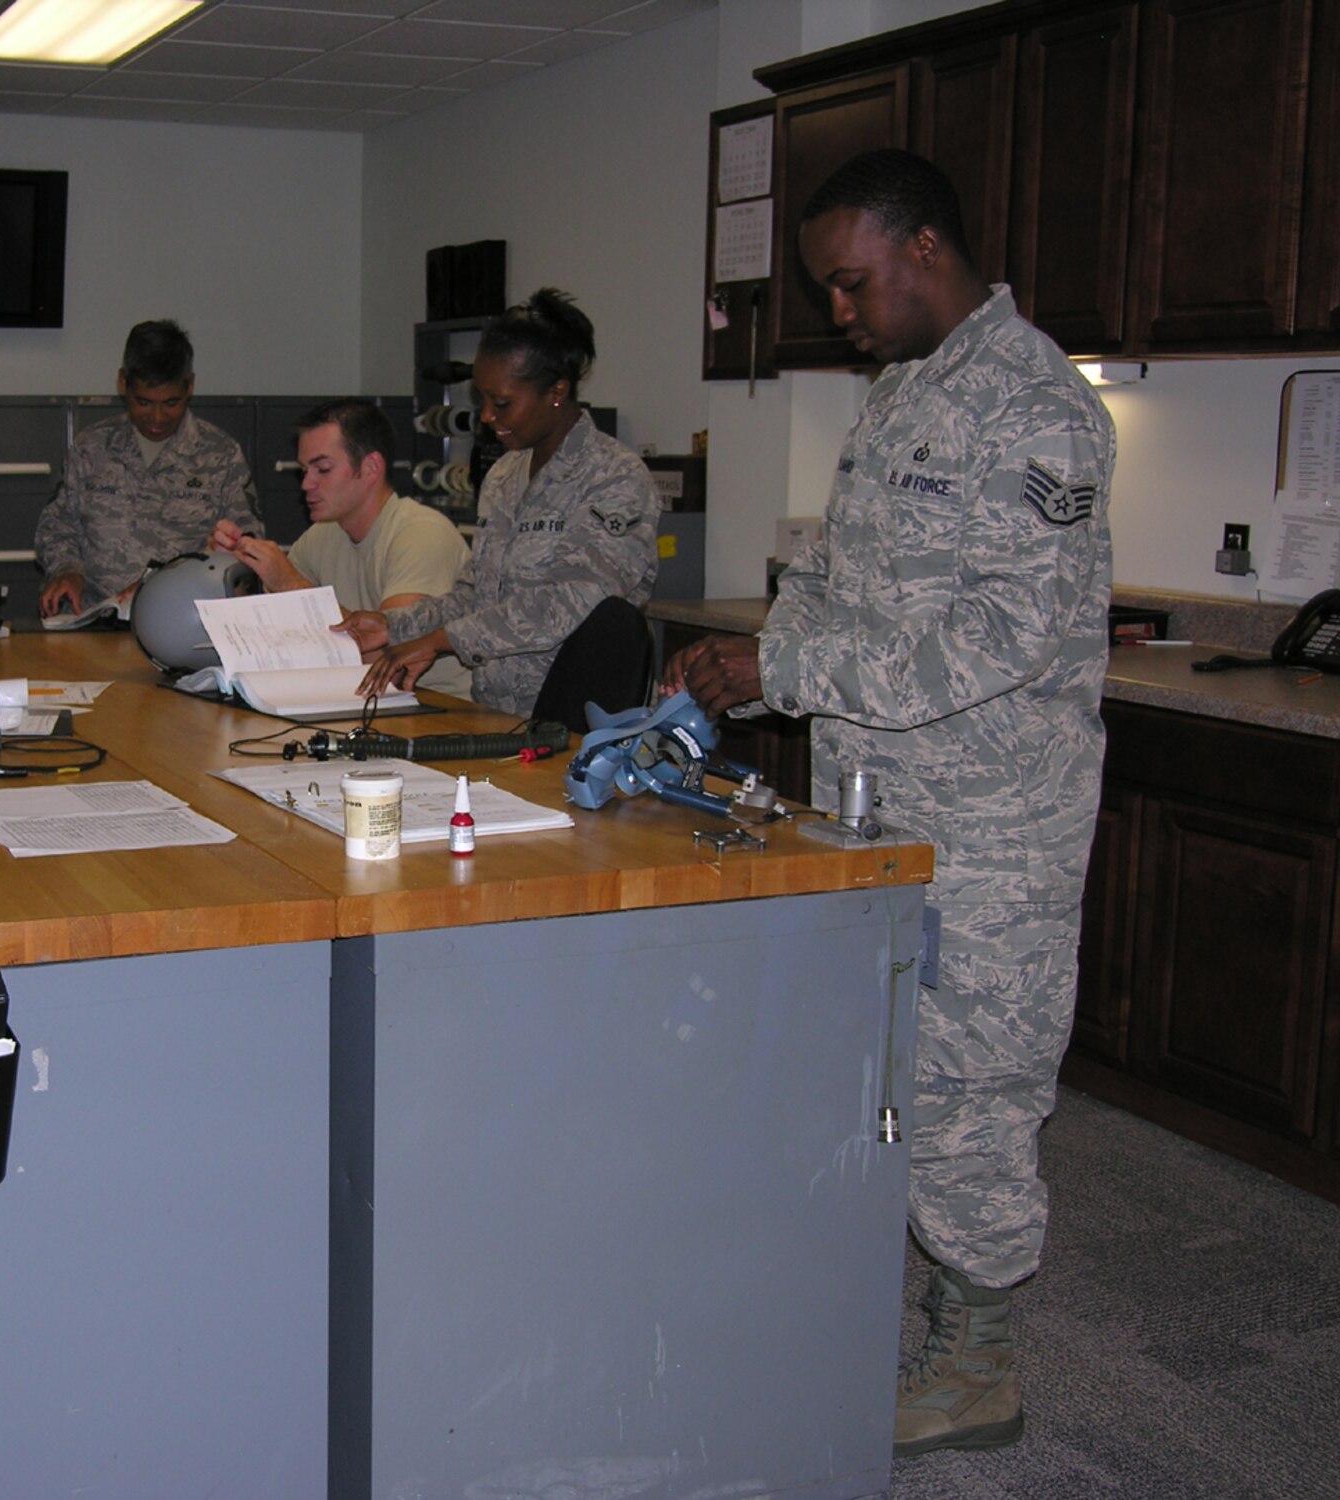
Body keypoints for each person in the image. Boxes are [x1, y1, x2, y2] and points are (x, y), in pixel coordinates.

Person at [664, 149, 1114, 1458]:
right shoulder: (902, 395)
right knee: (867, 1066)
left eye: (851, 282)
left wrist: (785, 669)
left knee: (971, 1093)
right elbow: (832, 579)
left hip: (990, 835)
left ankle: (975, 1366)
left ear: (925, 249)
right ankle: (864, 1306)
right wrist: (753, 661)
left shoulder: (1034, 405)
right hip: (872, 810)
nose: (839, 310)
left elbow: (1000, 639)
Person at [337, 288, 657, 716]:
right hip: (497, 712)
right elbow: (477, 596)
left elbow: (567, 605)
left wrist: (440, 642)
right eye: (482, 400)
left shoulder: (615, 477)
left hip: (577, 717)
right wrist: (393, 626)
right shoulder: (505, 475)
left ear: (556, 391)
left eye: (502, 403)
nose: (487, 416)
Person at [208, 396, 473, 698]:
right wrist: (232, 567)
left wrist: (290, 584)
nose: (306, 484)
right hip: (362, 696)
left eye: (322, 469)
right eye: (304, 470)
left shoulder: (422, 535)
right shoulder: (324, 534)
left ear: (371, 467)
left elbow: (390, 667)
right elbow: (271, 628)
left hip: (434, 703)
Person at [35, 319, 262, 618]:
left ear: (190, 386)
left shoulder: (221, 455)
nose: (157, 417)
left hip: (183, 621)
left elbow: (246, 549)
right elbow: (56, 526)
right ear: (122, 383)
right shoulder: (91, 448)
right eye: (143, 402)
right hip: (96, 618)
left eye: (171, 403)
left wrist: (160, 584)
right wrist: (66, 569)